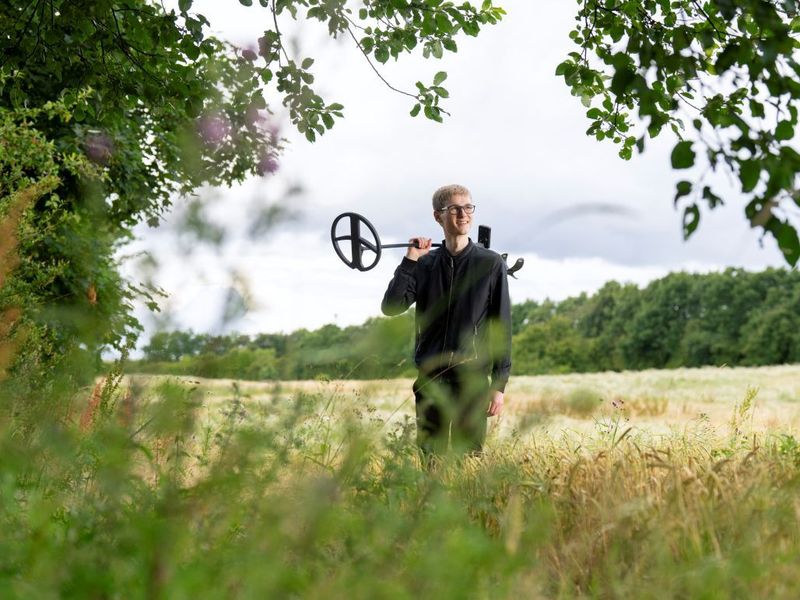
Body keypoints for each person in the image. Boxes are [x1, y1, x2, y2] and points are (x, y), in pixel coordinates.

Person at [381, 184, 512, 456]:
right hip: (431, 379)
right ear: (438, 216)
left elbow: (502, 326)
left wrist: (498, 386)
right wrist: (410, 262)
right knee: (431, 458)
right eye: (454, 209)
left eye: (468, 207)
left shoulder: (490, 264)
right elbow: (391, 307)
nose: (463, 214)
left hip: (472, 381)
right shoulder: (424, 264)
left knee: (469, 459)